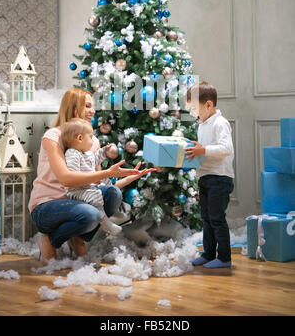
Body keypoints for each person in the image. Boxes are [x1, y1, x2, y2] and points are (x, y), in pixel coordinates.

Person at [28, 87, 155, 263]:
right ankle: (50, 240)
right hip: (47, 206)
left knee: (112, 194)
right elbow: (66, 178)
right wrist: (107, 172)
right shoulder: (54, 136)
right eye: (87, 106)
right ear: (74, 109)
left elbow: (97, 185)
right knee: (91, 214)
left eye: (92, 106)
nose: (93, 111)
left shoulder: (91, 142)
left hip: (78, 201)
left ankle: (77, 237)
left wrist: (129, 176)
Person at [185, 81, 234, 268]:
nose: (192, 113)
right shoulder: (202, 124)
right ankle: (208, 253)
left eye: (193, 108)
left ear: (208, 105)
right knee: (206, 218)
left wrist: (203, 150)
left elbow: (226, 148)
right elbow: (203, 151)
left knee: (216, 218)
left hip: (219, 178)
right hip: (205, 176)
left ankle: (224, 257)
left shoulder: (220, 123)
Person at [61, 118, 122, 236]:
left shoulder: (88, 153)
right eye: (90, 137)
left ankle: (113, 210)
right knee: (95, 196)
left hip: (90, 185)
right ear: (79, 138)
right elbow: (74, 175)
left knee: (108, 184)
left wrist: (104, 151)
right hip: (77, 190)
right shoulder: (72, 153)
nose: (93, 140)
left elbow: (94, 161)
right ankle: (105, 223)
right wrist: (92, 178)